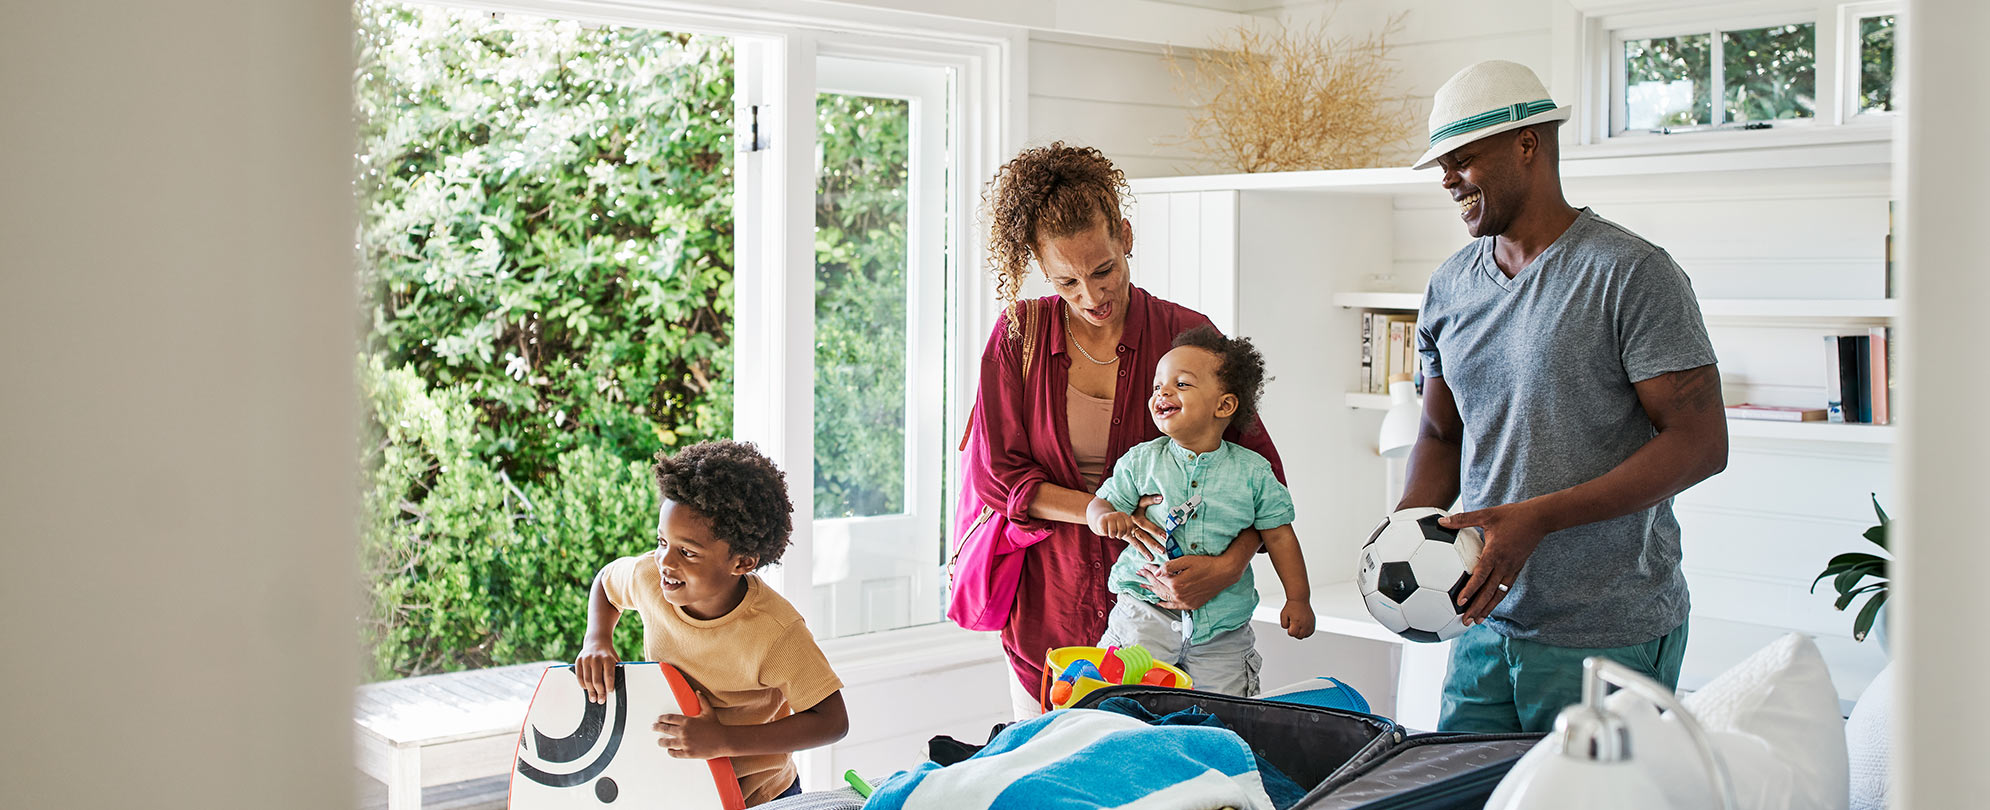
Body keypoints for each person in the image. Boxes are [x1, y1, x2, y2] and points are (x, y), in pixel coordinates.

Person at [1396, 60, 1729, 733]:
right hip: (1485, 625)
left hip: (1609, 632)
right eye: (1441, 164)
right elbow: (1441, 436)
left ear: (1528, 143)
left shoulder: (1632, 274)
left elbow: (1701, 444)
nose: (1446, 178)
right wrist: (1406, 529)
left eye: (1462, 158)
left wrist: (1539, 518)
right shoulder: (1450, 287)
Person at [967, 141, 1286, 718]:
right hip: (1050, 608)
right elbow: (997, 476)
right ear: (1042, 270)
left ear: (1126, 238)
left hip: (1180, 619)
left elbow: (1263, 479)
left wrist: (1229, 566)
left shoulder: (1189, 335)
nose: (1092, 297)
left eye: (1104, 270)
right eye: (1066, 282)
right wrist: (1093, 508)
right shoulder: (1017, 338)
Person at [574, 440, 848, 805]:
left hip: (758, 796)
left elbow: (831, 721)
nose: (665, 562)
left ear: (742, 563)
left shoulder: (775, 632)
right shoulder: (649, 579)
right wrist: (597, 640)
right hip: (680, 787)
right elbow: (607, 584)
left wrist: (723, 741)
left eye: (687, 552)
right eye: (661, 542)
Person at [1087, 326, 1314, 696]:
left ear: (1223, 406)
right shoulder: (1142, 460)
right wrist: (1104, 517)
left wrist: (1298, 597)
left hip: (1222, 631)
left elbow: (1280, 535)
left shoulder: (1254, 472)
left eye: (1181, 384)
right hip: (1144, 614)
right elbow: (1102, 502)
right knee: (1122, 704)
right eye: (1158, 385)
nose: (1162, 392)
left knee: (1223, 717)